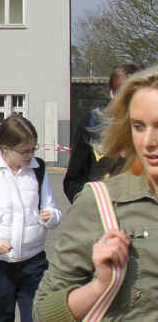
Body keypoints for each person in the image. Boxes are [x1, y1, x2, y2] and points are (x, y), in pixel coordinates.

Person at [34, 65, 158, 321]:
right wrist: (101, 286)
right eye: (138, 126)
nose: (148, 142)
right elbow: (44, 313)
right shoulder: (100, 204)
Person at [0, 114, 62, 322]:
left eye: (33, 149)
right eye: (24, 151)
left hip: (33, 263)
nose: (30, 156)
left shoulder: (38, 170)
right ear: (6, 149)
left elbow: (52, 209)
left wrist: (51, 216)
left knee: (39, 317)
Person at [63, 63, 142, 203]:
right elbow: (73, 179)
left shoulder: (150, 125)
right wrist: (87, 207)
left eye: (133, 94)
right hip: (101, 211)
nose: (127, 101)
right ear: (111, 92)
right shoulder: (92, 123)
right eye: (122, 94)